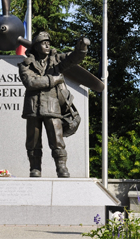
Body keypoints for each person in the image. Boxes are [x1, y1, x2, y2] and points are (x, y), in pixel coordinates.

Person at [18, 31, 89, 178]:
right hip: (32, 108)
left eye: (49, 43)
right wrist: (53, 80)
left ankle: (61, 167)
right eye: (44, 43)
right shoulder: (26, 64)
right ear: (36, 46)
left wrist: (81, 48)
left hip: (52, 106)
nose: (47, 45)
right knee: (33, 142)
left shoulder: (56, 60)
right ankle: (35, 168)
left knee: (57, 139)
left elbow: (72, 59)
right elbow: (30, 83)